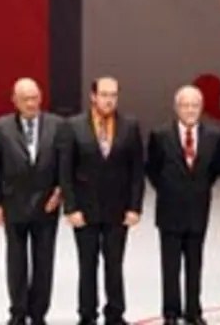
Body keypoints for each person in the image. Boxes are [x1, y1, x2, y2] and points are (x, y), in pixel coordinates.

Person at [59, 76, 145, 325]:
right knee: (87, 266)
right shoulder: (73, 126)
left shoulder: (130, 126)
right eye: (104, 94)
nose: (109, 100)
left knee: (114, 265)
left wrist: (134, 206)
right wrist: (71, 207)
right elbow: (66, 171)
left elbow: (137, 171)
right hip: (84, 210)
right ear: (93, 96)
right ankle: (87, 315)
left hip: (118, 210)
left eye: (114, 95)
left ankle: (115, 314)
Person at [0, 78, 64, 325]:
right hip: (14, 204)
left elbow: (65, 164)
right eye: (25, 99)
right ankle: (18, 312)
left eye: (35, 97)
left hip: (47, 204)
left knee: (44, 260)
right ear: (14, 101)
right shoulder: (0, 128)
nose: (31, 103)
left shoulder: (57, 125)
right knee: (16, 260)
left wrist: (60, 193)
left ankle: (38, 313)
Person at [145, 86, 220, 325]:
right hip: (169, 209)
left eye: (195, 105)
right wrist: (171, 190)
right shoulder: (160, 135)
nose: (190, 110)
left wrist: (195, 191)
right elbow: (153, 170)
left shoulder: (213, 136)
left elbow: (214, 170)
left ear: (201, 108)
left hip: (198, 209)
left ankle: (193, 311)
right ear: (176, 107)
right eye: (185, 105)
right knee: (170, 265)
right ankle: (170, 312)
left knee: (194, 263)